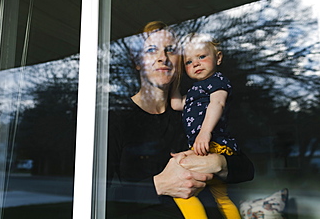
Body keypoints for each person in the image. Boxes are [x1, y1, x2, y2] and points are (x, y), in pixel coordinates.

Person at [106, 21, 254, 219]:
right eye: (152, 50)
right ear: (138, 61)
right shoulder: (114, 119)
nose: (162, 58)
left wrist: (220, 163)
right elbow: (94, 197)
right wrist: (158, 185)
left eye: (170, 50)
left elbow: (247, 169)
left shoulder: (196, 111)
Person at [171, 33, 241, 218]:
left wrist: (204, 133)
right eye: (188, 62)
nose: (195, 63)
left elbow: (217, 104)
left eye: (202, 56)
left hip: (213, 144)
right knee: (222, 199)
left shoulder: (217, 82)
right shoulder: (195, 91)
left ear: (218, 58)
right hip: (204, 146)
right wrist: (175, 81)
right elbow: (176, 104)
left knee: (178, 185)